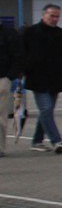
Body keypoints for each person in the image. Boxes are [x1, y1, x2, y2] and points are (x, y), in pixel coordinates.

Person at [21, 4, 62, 153]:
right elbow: (23, 53)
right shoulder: (30, 32)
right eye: (52, 16)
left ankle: (37, 141)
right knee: (46, 109)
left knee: (47, 111)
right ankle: (57, 141)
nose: (54, 19)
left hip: (55, 78)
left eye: (57, 16)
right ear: (44, 15)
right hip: (37, 78)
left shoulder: (61, 34)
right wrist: (25, 69)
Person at [0, 19, 23, 156]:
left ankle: (0, 146)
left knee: (1, 115)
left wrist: (10, 76)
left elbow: (18, 55)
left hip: (2, 78)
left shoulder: (8, 34)